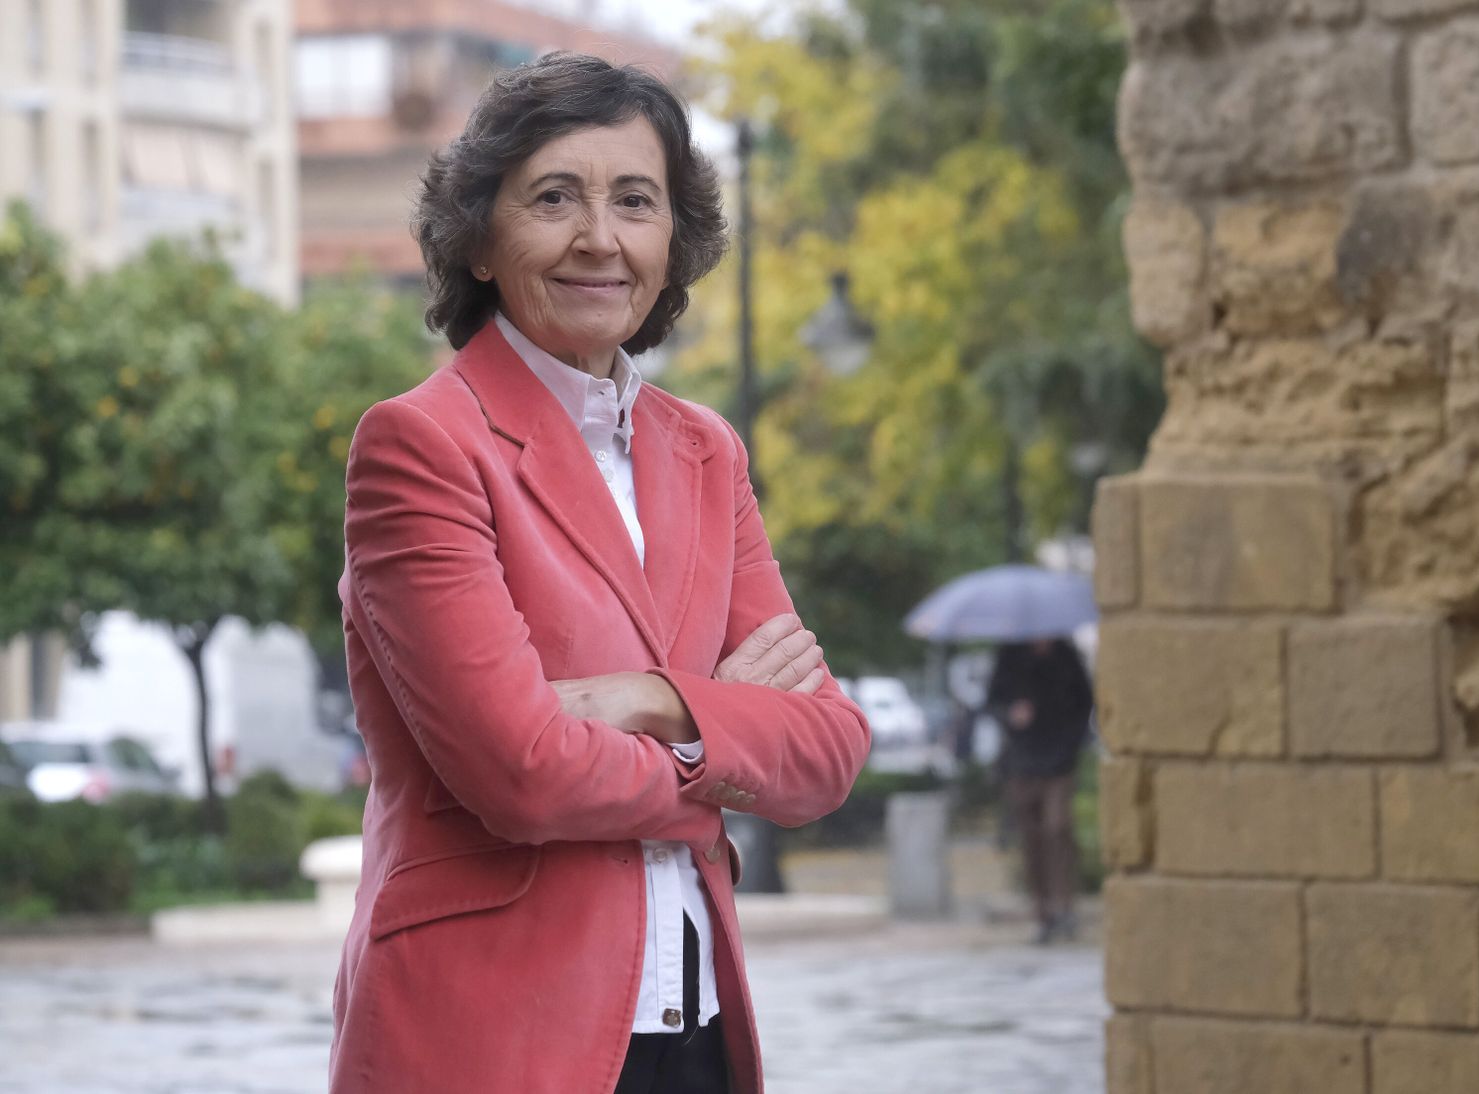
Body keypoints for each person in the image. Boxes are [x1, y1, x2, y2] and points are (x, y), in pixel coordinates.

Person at [330, 54, 871, 1094]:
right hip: (490, 1029)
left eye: (635, 200)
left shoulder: (706, 451)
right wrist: (721, 733)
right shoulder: (421, 444)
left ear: (674, 239)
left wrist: (646, 701)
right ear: (481, 238)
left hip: (698, 1028)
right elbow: (520, 771)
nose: (600, 238)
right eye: (552, 198)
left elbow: (830, 748)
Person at [984, 638, 1095, 944]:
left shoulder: (1066, 654)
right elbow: (992, 702)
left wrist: (1074, 742)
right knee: (1031, 835)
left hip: (1060, 760)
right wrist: (1011, 714)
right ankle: (1043, 910)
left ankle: (1065, 905)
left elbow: (1085, 701)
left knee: (1058, 828)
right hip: (1022, 760)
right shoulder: (1009, 655)